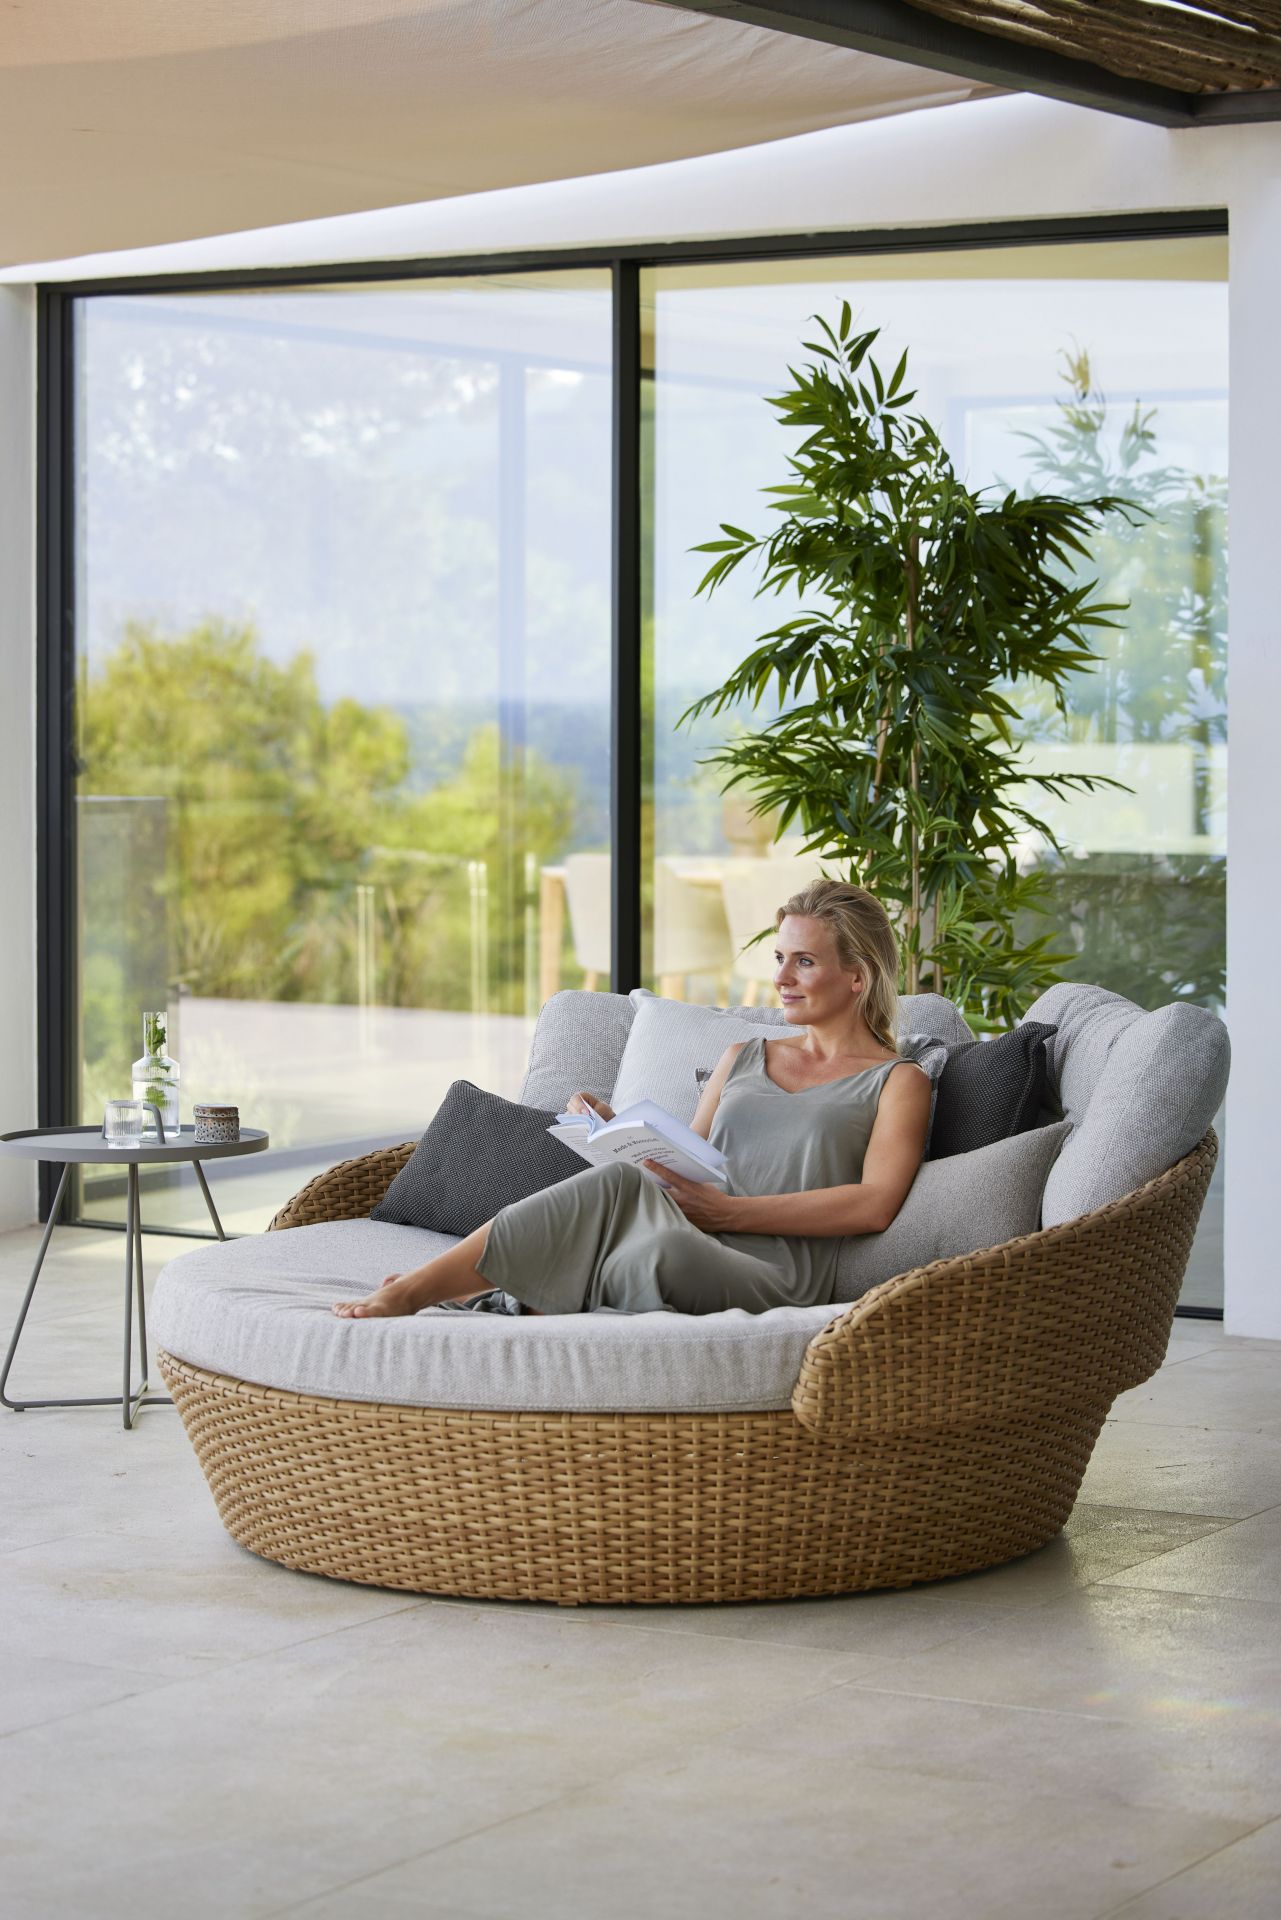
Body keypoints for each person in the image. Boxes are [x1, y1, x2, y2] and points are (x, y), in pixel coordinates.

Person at [332, 879, 931, 1321]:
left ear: (858, 976)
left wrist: (729, 1215)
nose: (781, 979)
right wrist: (616, 1127)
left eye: (805, 962)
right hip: (687, 1228)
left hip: (775, 1271)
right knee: (628, 1204)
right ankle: (447, 1290)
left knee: (653, 1250)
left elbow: (873, 1205)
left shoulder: (898, 1081)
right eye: (779, 959)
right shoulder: (744, 1056)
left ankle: (455, 1291)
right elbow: (692, 1161)